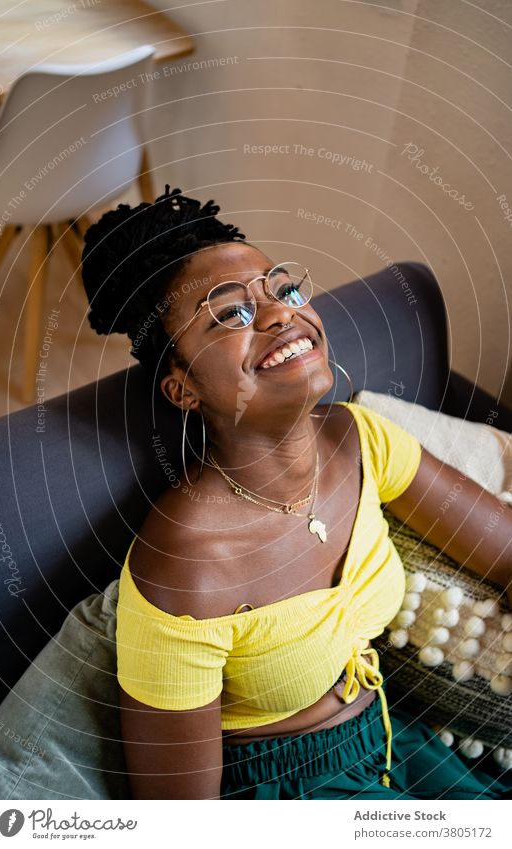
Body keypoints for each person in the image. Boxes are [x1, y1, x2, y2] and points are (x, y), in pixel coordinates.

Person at [81, 184, 512, 800]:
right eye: (232, 314)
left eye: (283, 290)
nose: (283, 313)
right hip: (288, 794)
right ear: (183, 389)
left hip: (395, 734)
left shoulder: (361, 440)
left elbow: (503, 553)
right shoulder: (186, 572)